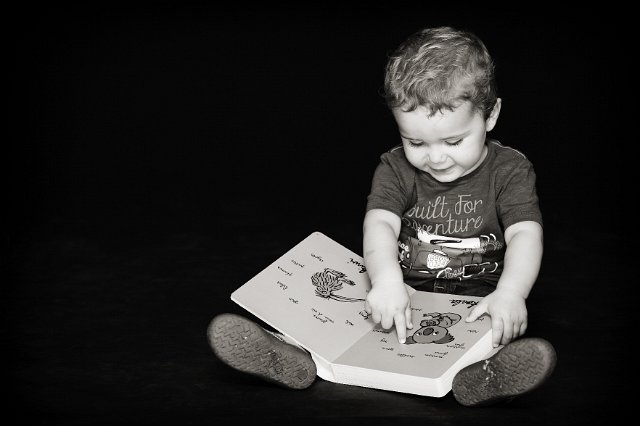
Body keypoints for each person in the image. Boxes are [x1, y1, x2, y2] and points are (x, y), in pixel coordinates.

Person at [208, 26, 556, 407]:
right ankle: (293, 354)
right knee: (339, 307)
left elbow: (525, 233)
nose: (436, 158)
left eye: (454, 142)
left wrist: (511, 293)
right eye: (416, 142)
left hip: (475, 302)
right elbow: (380, 223)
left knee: (500, 327)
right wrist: (387, 281)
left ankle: (481, 377)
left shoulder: (510, 170)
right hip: (400, 293)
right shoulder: (394, 168)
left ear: (490, 115)